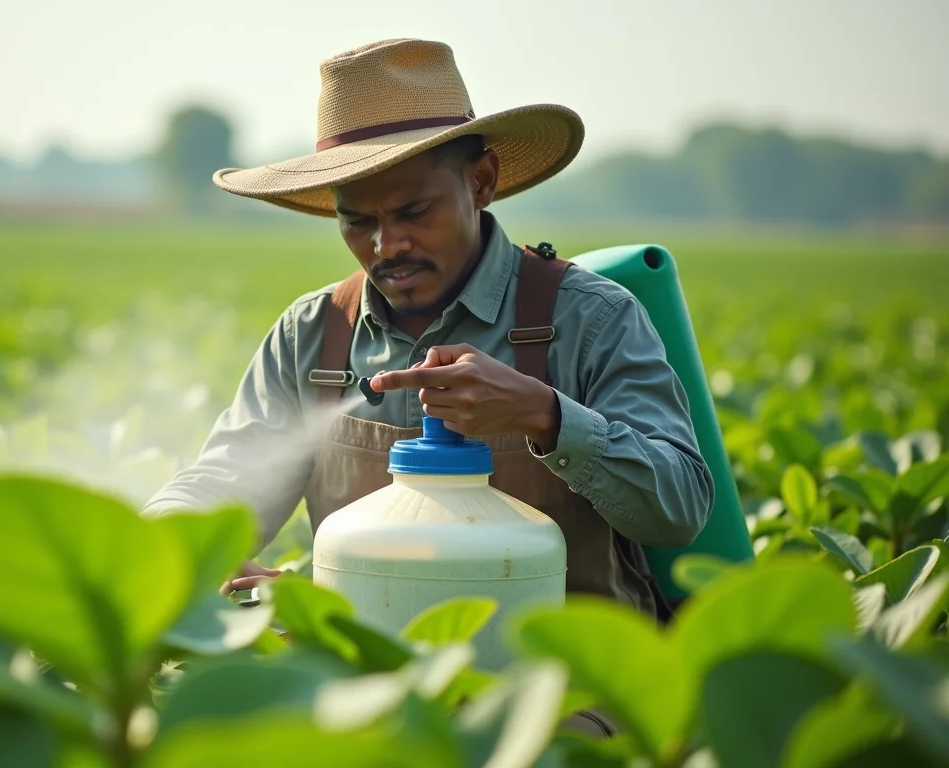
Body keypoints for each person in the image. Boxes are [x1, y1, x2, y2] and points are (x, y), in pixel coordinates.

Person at [143, 38, 714, 626]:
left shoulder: (590, 318)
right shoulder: (313, 335)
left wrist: (546, 415)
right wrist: (178, 549)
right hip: (366, 675)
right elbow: (224, 477)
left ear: (482, 181)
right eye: (358, 221)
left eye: (415, 212)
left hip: (565, 682)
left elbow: (679, 508)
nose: (387, 247)